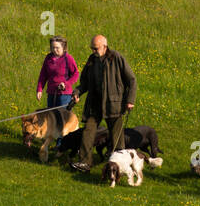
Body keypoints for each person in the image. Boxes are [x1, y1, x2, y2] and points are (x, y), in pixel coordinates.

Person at [71, 34, 137, 171]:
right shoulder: (91, 60)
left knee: (116, 137)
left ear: (104, 46)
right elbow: (84, 83)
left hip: (114, 104)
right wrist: (77, 93)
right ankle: (84, 163)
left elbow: (131, 80)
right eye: (92, 49)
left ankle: (118, 166)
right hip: (94, 104)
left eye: (95, 49)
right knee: (88, 132)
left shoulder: (116, 58)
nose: (93, 52)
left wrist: (130, 100)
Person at [36, 35, 79, 110]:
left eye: (57, 48)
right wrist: (39, 89)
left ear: (63, 48)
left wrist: (66, 84)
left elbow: (76, 74)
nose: (54, 50)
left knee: (62, 118)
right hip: (51, 93)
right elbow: (43, 75)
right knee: (51, 118)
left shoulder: (68, 58)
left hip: (64, 95)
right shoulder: (48, 58)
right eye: (52, 47)